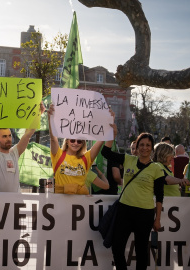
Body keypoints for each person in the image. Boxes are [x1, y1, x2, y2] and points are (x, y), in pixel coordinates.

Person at [102, 125, 166, 270]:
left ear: (152, 148)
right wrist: (112, 135)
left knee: (141, 251)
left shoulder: (157, 168)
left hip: (145, 213)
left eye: (148, 145)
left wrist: (157, 219)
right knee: (117, 247)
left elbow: (160, 196)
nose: (144, 148)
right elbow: (105, 152)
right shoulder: (128, 159)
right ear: (136, 146)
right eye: (141, 144)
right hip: (124, 210)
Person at [0, 97, 44, 192]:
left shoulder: (14, 153)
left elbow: (28, 134)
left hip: (17, 203)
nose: (8, 139)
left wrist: (38, 114)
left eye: (9, 136)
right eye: (4, 136)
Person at [47, 104, 109, 194]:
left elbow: (100, 141)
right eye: (72, 140)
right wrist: (51, 119)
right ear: (67, 141)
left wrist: (107, 121)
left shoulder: (86, 158)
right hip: (59, 202)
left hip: (80, 204)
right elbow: (53, 139)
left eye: (79, 141)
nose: (75, 143)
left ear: (82, 144)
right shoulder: (58, 155)